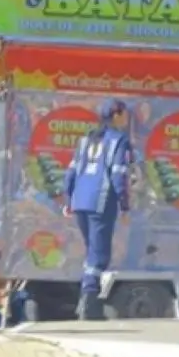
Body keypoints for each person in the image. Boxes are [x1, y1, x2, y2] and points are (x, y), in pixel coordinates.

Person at [59, 99, 132, 322]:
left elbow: (71, 172)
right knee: (99, 254)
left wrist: (68, 199)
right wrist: (124, 205)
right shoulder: (119, 140)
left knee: (91, 252)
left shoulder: (86, 140)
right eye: (125, 113)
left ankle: (87, 300)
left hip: (80, 200)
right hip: (101, 201)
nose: (127, 118)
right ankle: (89, 305)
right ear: (116, 115)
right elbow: (118, 174)